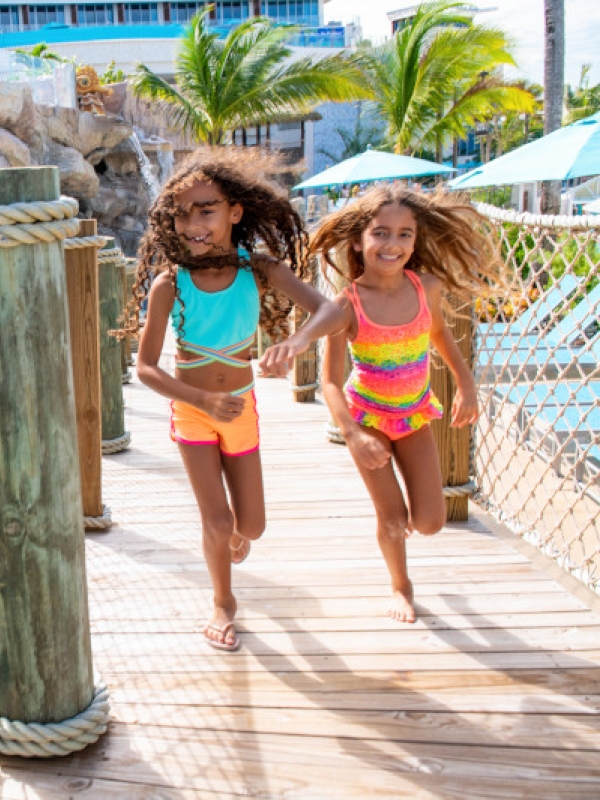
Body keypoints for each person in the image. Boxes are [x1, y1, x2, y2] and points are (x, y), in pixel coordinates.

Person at [120, 147, 344, 652]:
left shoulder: (259, 269)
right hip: (192, 413)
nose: (193, 224)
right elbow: (147, 368)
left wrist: (295, 342)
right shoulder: (170, 283)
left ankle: (235, 537)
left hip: (242, 410)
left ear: (234, 212)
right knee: (217, 521)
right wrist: (200, 398)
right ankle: (223, 603)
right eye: (182, 214)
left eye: (207, 211)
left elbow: (332, 312)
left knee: (252, 527)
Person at [310, 184, 499, 624]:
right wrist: (352, 435)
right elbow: (330, 382)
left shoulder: (426, 287)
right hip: (367, 418)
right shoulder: (346, 304)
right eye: (380, 233)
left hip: (413, 414)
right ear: (359, 240)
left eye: (404, 234)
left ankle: (404, 521)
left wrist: (466, 385)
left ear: (415, 240)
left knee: (430, 522)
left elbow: (440, 335)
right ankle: (401, 586)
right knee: (393, 518)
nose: (392, 244)